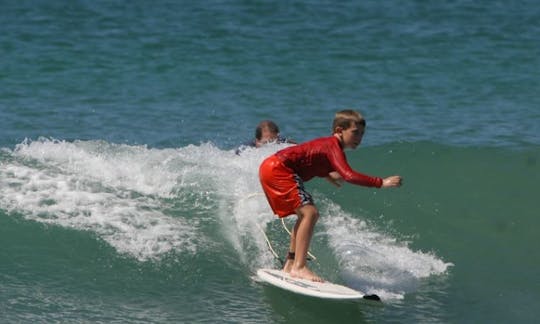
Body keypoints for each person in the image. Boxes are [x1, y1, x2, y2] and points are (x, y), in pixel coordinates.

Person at [258, 109, 402, 282]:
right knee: (310, 213)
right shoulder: (333, 145)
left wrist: (327, 174)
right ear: (340, 131)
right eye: (355, 133)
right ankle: (299, 267)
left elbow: (310, 157)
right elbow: (349, 175)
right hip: (279, 169)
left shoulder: (328, 145)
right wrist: (381, 182)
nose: (359, 138)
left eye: (362, 134)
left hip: (272, 167)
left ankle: (291, 264)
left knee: (305, 215)